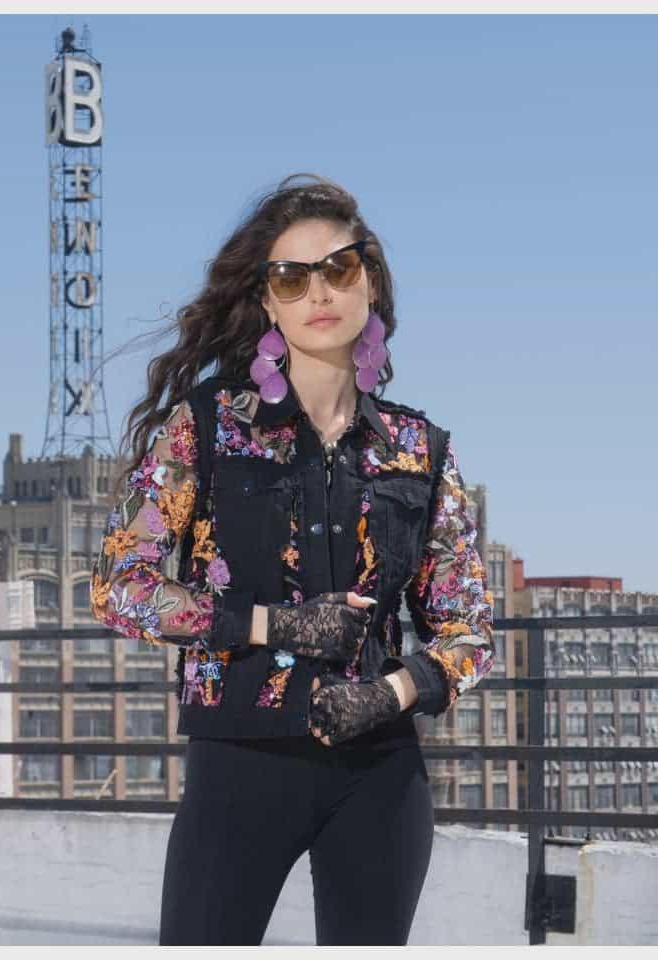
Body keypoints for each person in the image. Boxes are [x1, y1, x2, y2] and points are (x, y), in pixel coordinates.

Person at [90, 173, 495, 946]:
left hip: (380, 776)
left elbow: (469, 629)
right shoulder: (206, 427)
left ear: (371, 282)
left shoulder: (421, 450)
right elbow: (119, 588)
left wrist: (394, 692)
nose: (320, 292)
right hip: (238, 762)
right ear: (267, 301)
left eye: (339, 267)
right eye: (291, 276)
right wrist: (272, 624)